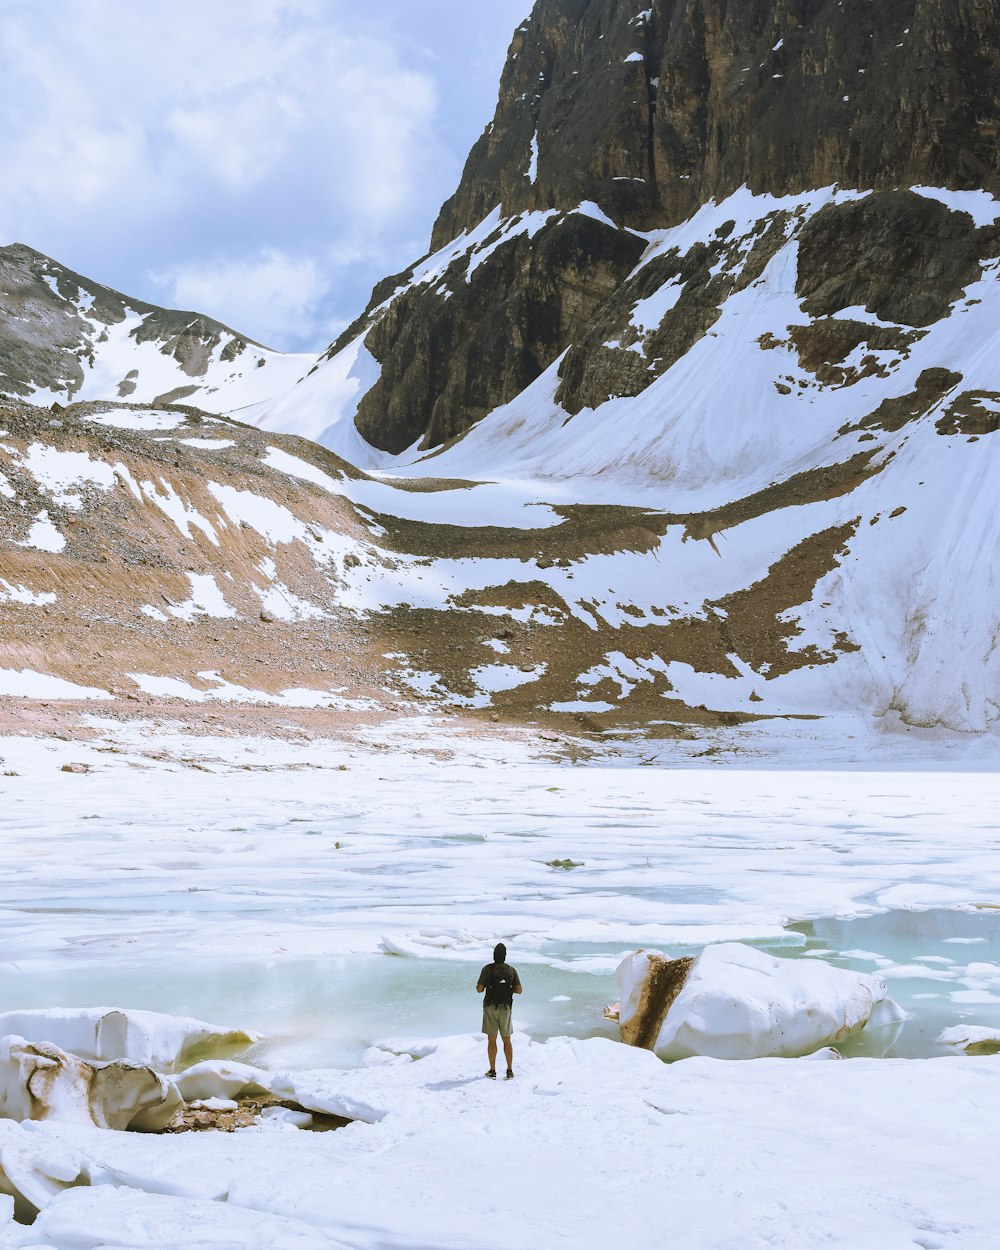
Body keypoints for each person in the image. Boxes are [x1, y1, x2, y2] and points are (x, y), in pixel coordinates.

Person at [476, 942, 522, 1079]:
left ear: (494, 955)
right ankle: (509, 1070)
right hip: (506, 1008)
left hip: (490, 1006)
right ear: (505, 956)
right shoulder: (511, 970)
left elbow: (479, 989)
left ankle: (492, 1070)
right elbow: (519, 990)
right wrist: (508, 989)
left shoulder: (487, 969)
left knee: (492, 1040)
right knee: (507, 1039)